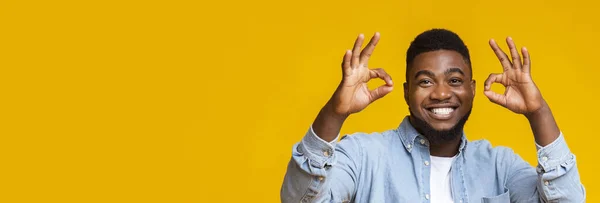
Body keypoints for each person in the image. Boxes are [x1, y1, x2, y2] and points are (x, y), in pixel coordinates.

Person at [280, 29, 585, 203]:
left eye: (454, 80)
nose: (441, 93)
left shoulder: (500, 167)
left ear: (472, 89)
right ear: (406, 92)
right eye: (425, 81)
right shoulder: (363, 157)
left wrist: (538, 112)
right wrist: (334, 113)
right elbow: (298, 201)